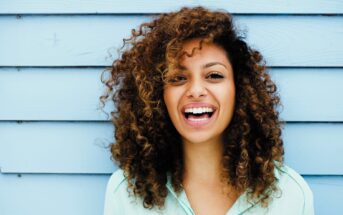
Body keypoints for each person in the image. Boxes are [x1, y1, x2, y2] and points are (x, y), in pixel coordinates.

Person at [101, 6, 314, 215]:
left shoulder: (290, 195)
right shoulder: (125, 192)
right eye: (178, 78)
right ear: (158, 95)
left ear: (239, 89)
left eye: (214, 75)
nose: (195, 90)